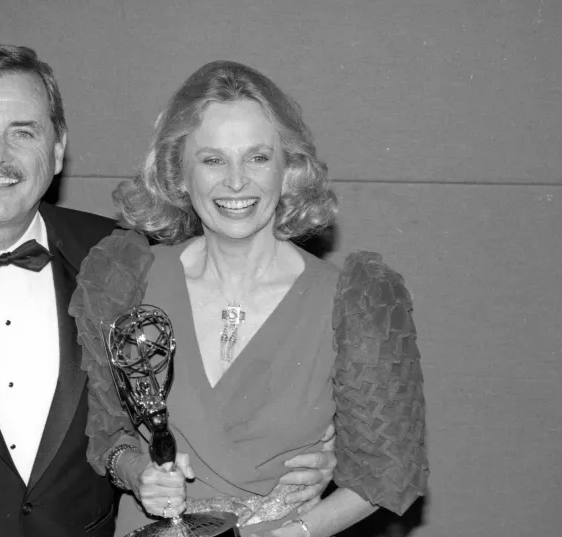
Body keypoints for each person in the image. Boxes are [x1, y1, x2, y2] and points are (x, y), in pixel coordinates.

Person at [0, 45, 336, 537]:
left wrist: (322, 445)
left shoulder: (119, 257)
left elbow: (195, 382)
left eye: (23, 132)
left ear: (59, 147)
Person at [70, 60, 428, 537]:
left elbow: (386, 475)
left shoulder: (352, 301)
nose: (236, 182)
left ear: (289, 169)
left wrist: (291, 533)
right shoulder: (127, 279)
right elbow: (107, 437)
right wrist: (138, 474)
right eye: (213, 159)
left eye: (257, 157)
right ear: (179, 171)